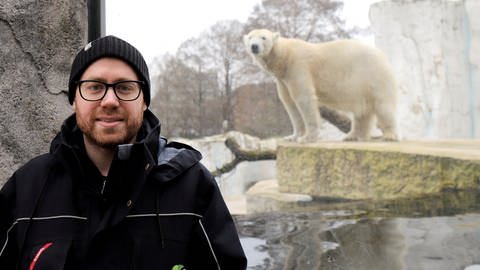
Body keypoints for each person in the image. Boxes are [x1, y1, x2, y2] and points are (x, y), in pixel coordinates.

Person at [0, 35, 247, 269]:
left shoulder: (191, 185)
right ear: (75, 99)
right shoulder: (27, 187)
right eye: (94, 87)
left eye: (125, 88)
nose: (109, 100)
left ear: (145, 100)